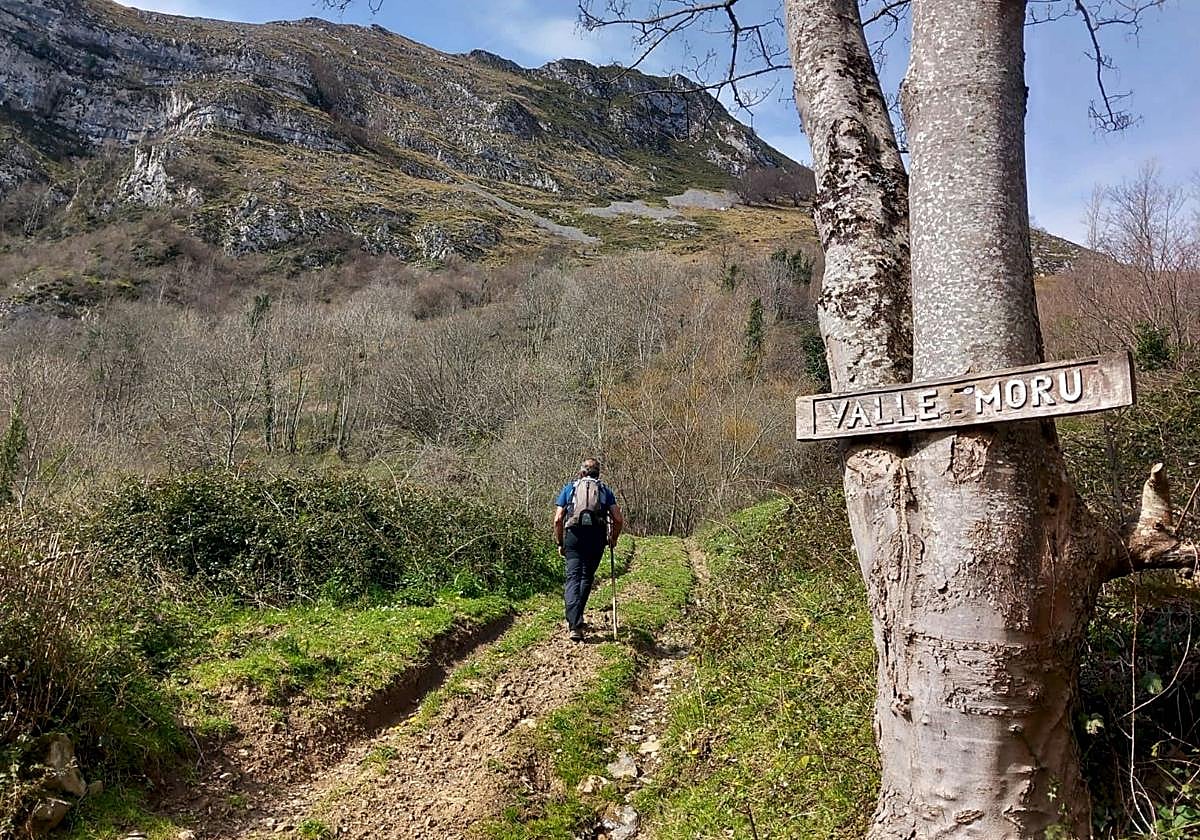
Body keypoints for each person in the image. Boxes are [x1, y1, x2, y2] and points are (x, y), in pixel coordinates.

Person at [553, 458, 624, 642]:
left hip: (574, 536)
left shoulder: (570, 489)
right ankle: (577, 619)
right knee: (586, 577)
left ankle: (574, 623)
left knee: (572, 577)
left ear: (581, 473)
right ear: (597, 474)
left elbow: (558, 519)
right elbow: (618, 519)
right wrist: (613, 538)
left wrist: (560, 542)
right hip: (596, 537)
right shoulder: (604, 491)